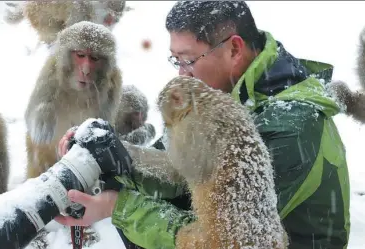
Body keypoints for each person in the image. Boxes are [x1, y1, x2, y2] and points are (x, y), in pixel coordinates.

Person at [55, 1, 351, 249]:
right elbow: (177, 168)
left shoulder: (290, 129)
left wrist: (116, 207)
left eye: (188, 60)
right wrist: (114, 153)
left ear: (234, 49)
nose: (183, 75)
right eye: (176, 61)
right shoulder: (217, 92)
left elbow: (218, 239)